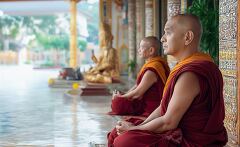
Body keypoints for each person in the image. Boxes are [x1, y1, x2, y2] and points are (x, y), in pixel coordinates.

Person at [108, 14, 228, 147]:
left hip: (189, 139)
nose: (162, 38)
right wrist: (140, 126)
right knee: (117, 133)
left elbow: (169, 122)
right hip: (175, 130)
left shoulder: (191, 74)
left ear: (187, 37)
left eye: (168, 33)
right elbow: (162, 107)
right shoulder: (185, 66)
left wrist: (132, 130)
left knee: (124, 141)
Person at [108, 36, 170, 117]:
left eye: (141, 48)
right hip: (146, 102)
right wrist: (125, 94)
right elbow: (137, 85)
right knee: (118, 101)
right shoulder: (151, 64)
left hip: (153, 109)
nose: (138, 50)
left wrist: (121, 97)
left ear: (151, 50)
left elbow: (138, 92)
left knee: (117, 103)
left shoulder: (152, 69)